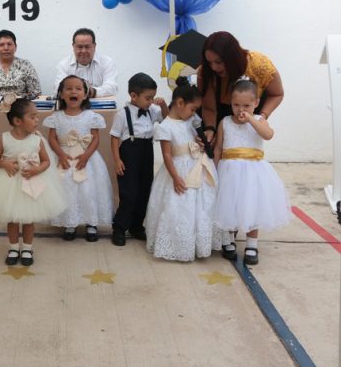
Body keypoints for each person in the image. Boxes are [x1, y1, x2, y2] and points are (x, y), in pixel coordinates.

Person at [0, 99, 67, 266]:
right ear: (18, 121)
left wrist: (37, 170)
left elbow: (46, 162)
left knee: (29, 219)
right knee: (12, 219)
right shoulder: (3, 138)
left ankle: (27, 248)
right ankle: (13, 247)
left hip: (30, 183)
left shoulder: (37, 140)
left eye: (37, 116)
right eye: (32, 117)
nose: (37, 120)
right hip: (9, 183)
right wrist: (4, 164)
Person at [213, 78, 290, 266]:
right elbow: (219, 148)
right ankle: (228, 240)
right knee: (229, 206)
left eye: (246, 105)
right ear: (230, 102)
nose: (241, 109)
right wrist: (214, 170)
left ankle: (251, 244)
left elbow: (268, 135)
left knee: (253, 207)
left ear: (256, 103)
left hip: (253, 172)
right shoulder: (225, 122)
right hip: (229, 171)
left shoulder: (259, 120)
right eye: (236, 105)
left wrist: (251, 119)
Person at [145, 77, 218, 262]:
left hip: (196, 166)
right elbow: (167, 155)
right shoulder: (165, 127)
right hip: (178, 170)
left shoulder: (191, 121)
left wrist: (199, 141)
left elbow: (194, 137)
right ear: (179, 103)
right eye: (192, 109)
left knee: (199, 205)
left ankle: (198, 242)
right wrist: (176, 177)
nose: (194, 113)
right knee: (178, 205)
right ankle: (179, 243)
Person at [44, 75, 113, 242]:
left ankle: (91, 222)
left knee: (89, 190)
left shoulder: (91, 116)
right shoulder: (56, 117)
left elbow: (95, 138)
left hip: (87, 159)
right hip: (65, 158)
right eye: (68, 88)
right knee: (67, 189)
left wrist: (87, 156)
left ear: (85, 94)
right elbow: (52, 138)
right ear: (61, 94)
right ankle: (70, 222)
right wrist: (60, 155)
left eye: (78, 88)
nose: (73, 91)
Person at [109, 73, 169, 246]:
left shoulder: (152, 110)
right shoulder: (122, 114)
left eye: (152, 97)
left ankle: (136, 225)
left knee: (145, 190)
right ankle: (120, 227)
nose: (150, 101)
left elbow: (167, 118)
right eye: (148, 98)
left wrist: (163, 104)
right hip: (129, 152)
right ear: (133, 96)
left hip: (147, 151)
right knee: (129, 192)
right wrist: (117, 159)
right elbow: (114, 137)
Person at [198, 31, 284, 146]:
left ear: (232, 57)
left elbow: (277, 94)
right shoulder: (206, 72)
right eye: (209, 63)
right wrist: (210, 129)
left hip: (249, 124)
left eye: (218, 62)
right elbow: (209, 108)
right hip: (218, 121)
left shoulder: (259, 65)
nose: (213, 67)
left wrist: (260, 118)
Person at [53, 28, 118, 98]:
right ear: (73, 46)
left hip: (100, 104)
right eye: (80, 47)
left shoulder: (107, 62)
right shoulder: (63, 65)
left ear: (94, 46)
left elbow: (112, 87)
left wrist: (92, 91)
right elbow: (58, 88)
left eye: (87, 47)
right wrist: (80, 91)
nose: (83, 51)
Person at [0, 30, 42, 98]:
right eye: (1, 45)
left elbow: (36, 92)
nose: (6, 48)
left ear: (15, 47)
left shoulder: (26, 65)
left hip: (20, 103)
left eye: (9, 44)